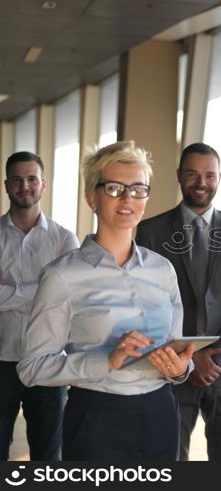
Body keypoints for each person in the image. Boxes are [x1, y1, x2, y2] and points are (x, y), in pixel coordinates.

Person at [17, 141, 193, 460]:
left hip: (161, 413)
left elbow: (176, 346)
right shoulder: (61, 276)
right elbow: (31, 368)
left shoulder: (163, 270)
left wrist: (181, 368)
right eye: (114, 188)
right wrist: (105, 361)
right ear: (91, 198)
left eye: (138, 189)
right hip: (96, 418)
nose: (128, 199)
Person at [135, 143, 221, 461]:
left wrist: (213, 357)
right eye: (192, 174)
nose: (201, 182)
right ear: (179, 176)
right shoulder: (150, 231)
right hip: (172, 369)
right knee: (169, 459)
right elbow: (147, 303)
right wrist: (190, 357)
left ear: (219, 178)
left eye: (209, 175)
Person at [0, 152, 79, 461]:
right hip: (0, 360)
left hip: (48, 362)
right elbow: (54, 296)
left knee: (48, 457)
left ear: (43, 184)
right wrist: (46, 289)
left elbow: (69, 296)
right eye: (17, 180)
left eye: (32, 179)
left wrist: (8, 291)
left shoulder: (64, 240)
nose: (25, 186)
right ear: (6, 185)